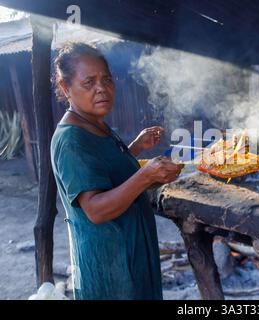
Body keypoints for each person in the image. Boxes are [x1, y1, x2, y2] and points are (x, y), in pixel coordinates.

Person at [50, 42, 182, 300]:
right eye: (89, 82)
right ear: (66, 89)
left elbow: (103, 171)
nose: (102, 88)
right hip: (111, 269)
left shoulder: (97, 126)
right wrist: (146, 176)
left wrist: (135, 147)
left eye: (107, 80)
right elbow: (96, 210)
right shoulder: (71, 141)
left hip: (131, 257)